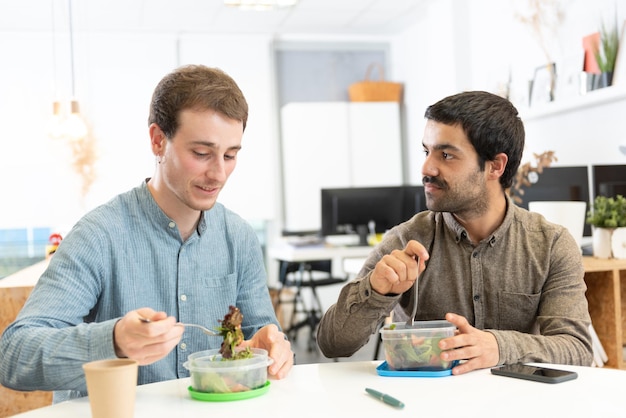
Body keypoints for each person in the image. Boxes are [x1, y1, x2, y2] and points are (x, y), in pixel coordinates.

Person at [0, 64, 293, 401]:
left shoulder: (238, 238)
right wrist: (113, 341)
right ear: (157, 141)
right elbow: (14, 355)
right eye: (201, 153)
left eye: (230, 155)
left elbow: (263, 341)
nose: (219, 173)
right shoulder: (99, 235)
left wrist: (270, 349)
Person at [316, 90, 593, 375]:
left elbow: (577, 350)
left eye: (446, 155)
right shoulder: (406, 241)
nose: (426, 167)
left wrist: (499, 346)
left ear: (496, 166)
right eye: (427, 151)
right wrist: (375, 290)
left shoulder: (551, 244)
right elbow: (332, 344)